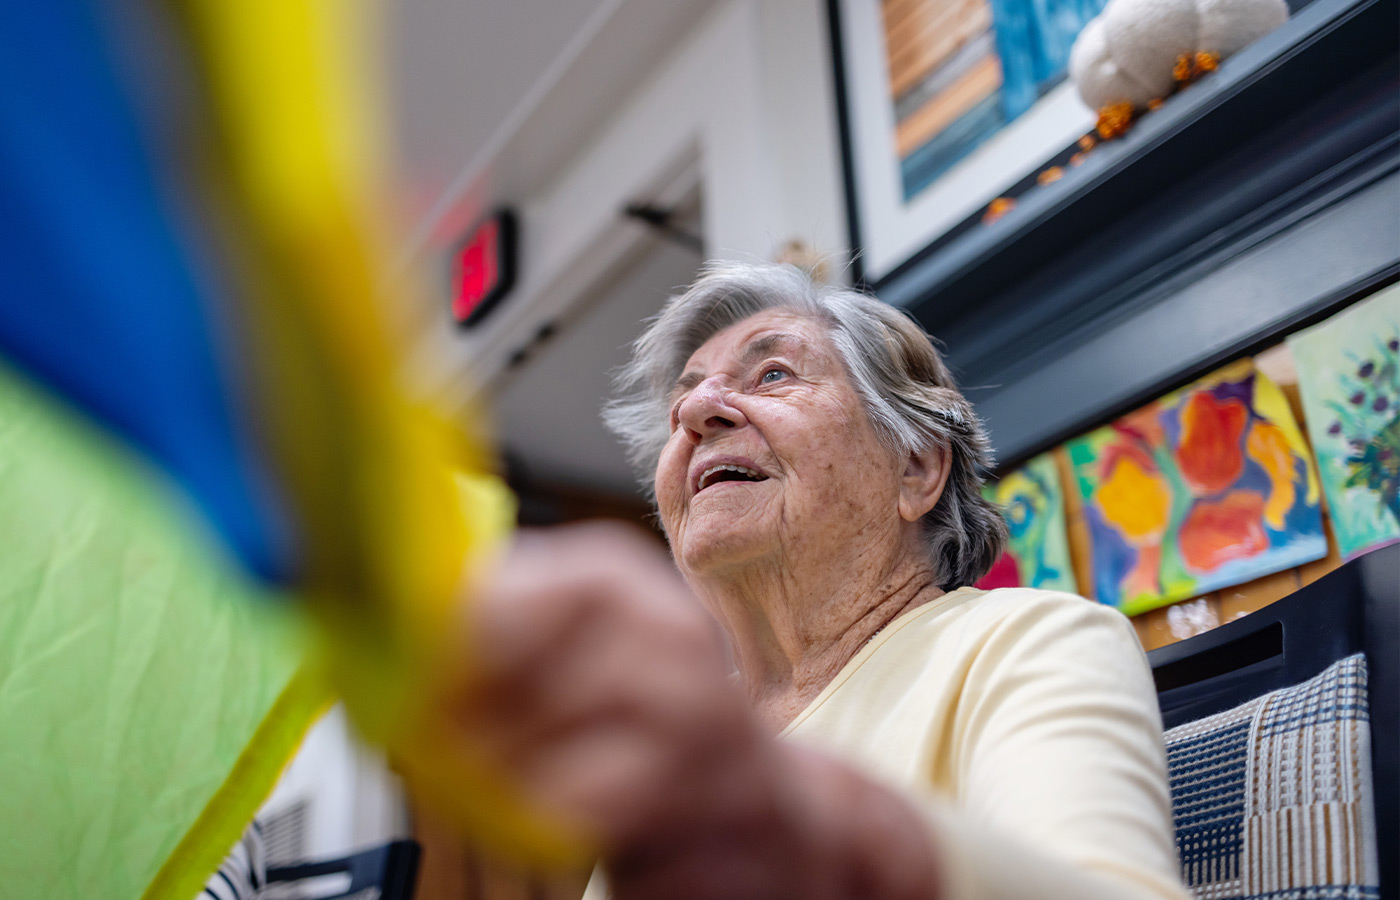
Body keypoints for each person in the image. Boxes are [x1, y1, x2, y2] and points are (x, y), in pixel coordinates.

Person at [447, 262, 1191, 900]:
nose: (698, 411)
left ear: (915, 467)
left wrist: (842, 834)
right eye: (685, 400)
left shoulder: (1029, 644)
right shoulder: (670, 747)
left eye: (773, 373)